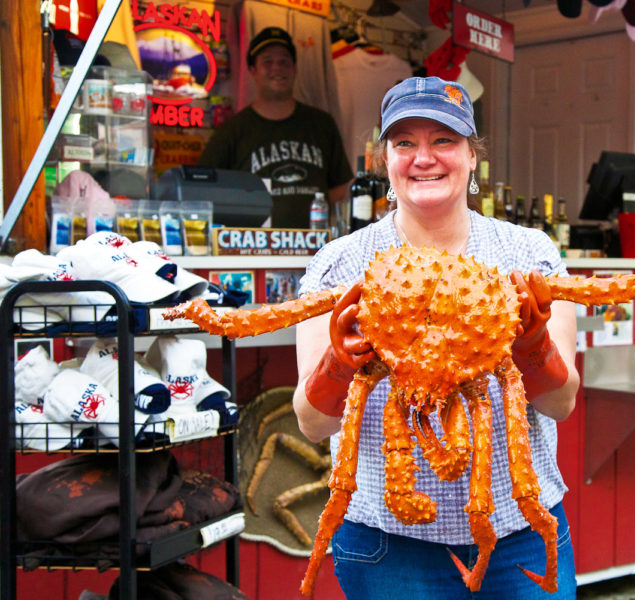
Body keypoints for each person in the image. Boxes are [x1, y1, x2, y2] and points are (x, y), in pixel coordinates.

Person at [293, 76, 580, 599]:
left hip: (519, 536)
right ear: (385, 160)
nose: (424, 157)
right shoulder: (341, 266)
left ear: (473, 157)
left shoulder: (526, 257)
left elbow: (562, 404)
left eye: (444, 140)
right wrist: (339, 361)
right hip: (386, 546)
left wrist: (531, 344)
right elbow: (312, 424)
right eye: (405, 143)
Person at [197, 27, 352, 229]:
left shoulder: (322, 124)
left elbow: (341, 188)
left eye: (284, 61)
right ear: (253, 70)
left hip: (315, 246)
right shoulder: (232, 130)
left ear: (295, 68)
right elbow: (201, 188)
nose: (277, 68)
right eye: (267, 62)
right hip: (252, 251)